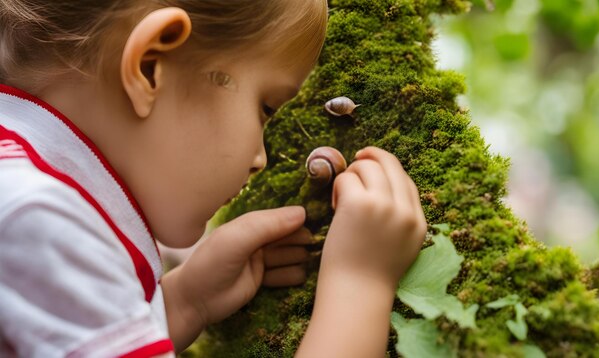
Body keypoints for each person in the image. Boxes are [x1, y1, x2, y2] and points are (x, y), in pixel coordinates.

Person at [0, 0, 427, 356]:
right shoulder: (41, 221)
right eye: (266, 107)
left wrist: (184, 303)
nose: (260, 158)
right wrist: (359, 283)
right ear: (151, 66)